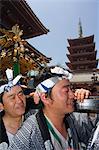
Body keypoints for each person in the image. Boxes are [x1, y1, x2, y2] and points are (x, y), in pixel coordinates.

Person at [8, 66, 91, 150]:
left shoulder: (73, 119)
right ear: (45, 97)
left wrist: (89, 104)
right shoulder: (29, 133)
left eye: (71, 89)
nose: (72, 95)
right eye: (66, 91)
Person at [0, 69, 37, 150]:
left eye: (20, 94)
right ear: (1, 106)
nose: (19, 100)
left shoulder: (37, 120)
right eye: (12, 97)